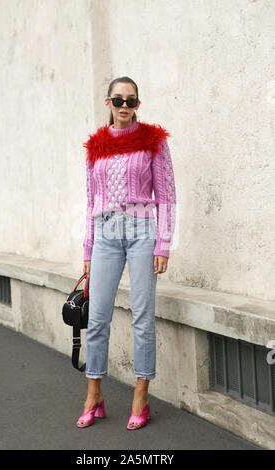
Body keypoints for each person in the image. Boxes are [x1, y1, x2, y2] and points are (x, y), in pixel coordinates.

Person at [76, 76, 176, 430]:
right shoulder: (96, 147)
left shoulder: (153, 143)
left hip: (141, 233)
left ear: (137, 104)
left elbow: (166, 195)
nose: (123, 106)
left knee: (142, 317)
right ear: (108, 103)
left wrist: (163, 243)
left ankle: (141, 394)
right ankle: (94, 394)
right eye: (117, 100)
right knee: (98, 317)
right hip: (104, 235)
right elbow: (91, 201)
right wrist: (87, 248)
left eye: (130, 101)